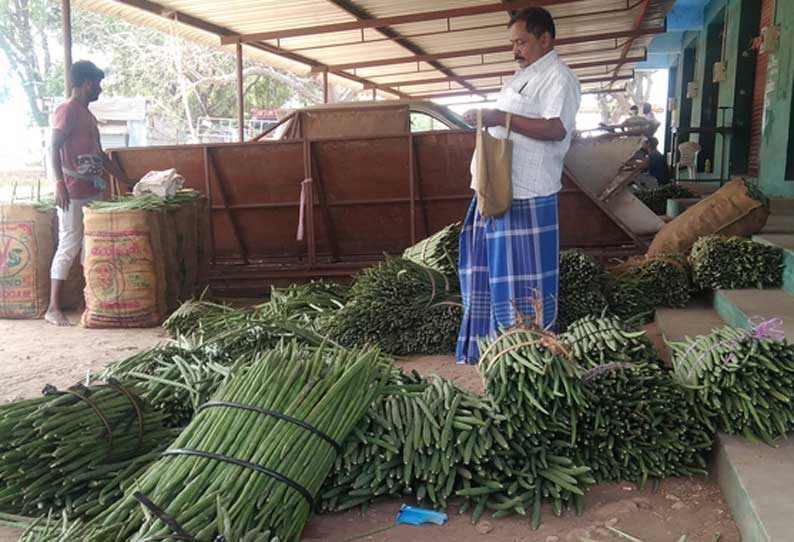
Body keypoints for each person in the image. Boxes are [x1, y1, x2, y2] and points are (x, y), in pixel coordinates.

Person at [457, 7, 581, 364]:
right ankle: (490, 348)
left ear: (546, 39)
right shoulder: (522, 76)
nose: (516, 49)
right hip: (498, 189)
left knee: (522, 281)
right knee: (488, 271)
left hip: (527, 194)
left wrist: (501, 117)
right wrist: (488, 117)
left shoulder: (559, 78)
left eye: (522, 42)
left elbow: (556, 128)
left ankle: (525, 353)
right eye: (513, 43)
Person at [45, 60, 135, 326]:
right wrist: (58, 183)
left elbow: (100, 155)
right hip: (72, 190)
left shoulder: (87, 116)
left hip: (92, 188)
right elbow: (52, 148)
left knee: (90, 247)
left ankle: (90, 301)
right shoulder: (67, 111)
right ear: (86, 84)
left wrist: (125, 180)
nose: (100, 89)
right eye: (98, 84)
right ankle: (53, 307)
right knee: (69, 243)